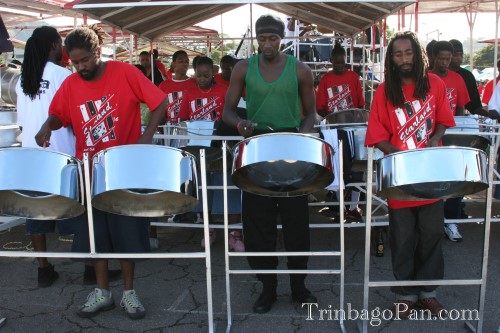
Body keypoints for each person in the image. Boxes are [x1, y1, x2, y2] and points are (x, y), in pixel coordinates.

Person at [35, 25, 168, 320]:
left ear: (98, 52)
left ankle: (129, 293)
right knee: (95, 236)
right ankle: (102, 292)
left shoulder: (125, 72)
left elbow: (160, 102)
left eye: (84, 60)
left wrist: (147, 137)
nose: (80, 67)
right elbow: (60, 114)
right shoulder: (70, 84)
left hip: (124, 170)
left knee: (128, 234)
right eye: (74, 62)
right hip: (89, 171)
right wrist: (48, 125)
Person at [222, 14, 318, 314]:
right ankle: (267, 288)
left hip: (291, 152)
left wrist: (301, 140)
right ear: (256, 40)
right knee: (258, 225)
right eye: (262, 39)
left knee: (296, 225)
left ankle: (299, 286)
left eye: (273, 38)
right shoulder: (243, 68)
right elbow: (226, 111)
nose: (267, 44)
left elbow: (311, 114)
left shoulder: (299, 69)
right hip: (257, 152)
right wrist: (239, 124)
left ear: (282, 39)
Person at [365, 31, 455, 318]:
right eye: (397, 54)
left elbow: (442, 120)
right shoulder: (384, 91)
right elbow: (377, 134)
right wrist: (398, 153)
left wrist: (434, 139)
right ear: (391, 59)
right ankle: (405, 294)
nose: (404, 58)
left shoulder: (435, 84)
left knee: (430, 235)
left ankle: (428, 293)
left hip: (430, 173)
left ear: (417, 54)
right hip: (402, 176)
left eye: (408, 52)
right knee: (402, 238)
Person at [15, 26, 76, 288]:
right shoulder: (63, 75)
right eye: (60, 43)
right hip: (61, 152)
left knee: (36, 213)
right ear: (53, 45)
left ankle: (43, 268)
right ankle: (88, 267)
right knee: (74, 212)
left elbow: (21, 125)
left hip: (31, 155)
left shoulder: (22, 79)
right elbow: (73, 118)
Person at [316, 43, 365, 222]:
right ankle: (341, 208)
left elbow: (360, 105)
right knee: (338, 169)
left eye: (342, 63)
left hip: (352, 128)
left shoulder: (353, 77)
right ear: (331, 61)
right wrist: (333, 119)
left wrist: (351, 117)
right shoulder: (325, 79)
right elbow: (320, 108)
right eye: (336, 63)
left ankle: (353, 207)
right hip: (333, 131)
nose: (339, 66)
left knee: (357, 169)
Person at [432, 40, 471, 242]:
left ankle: (452, 222)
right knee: (433, 182)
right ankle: (434, 223)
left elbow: (461, 110)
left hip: (452, 136)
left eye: (448, 59)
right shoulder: (426, 78)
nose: (446, 63)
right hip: (431, 138)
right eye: (442, 59)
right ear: (433, 58)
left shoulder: (457, 79)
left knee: (455, 182)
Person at [449, 39, 500, 120]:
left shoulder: (467, 76)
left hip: (458, 121)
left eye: (461, 55)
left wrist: (490, 115)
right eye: (455, 55)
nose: (459, 58)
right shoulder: (436, 75)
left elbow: (474, 106)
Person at [159, 51, 196, 122]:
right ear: (173, 64)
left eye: (187, 61)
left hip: (189, 126)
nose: (185, 63)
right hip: (169, 127)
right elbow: (160, 108)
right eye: (181, 61)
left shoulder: (195, 83)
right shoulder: (164, 85)